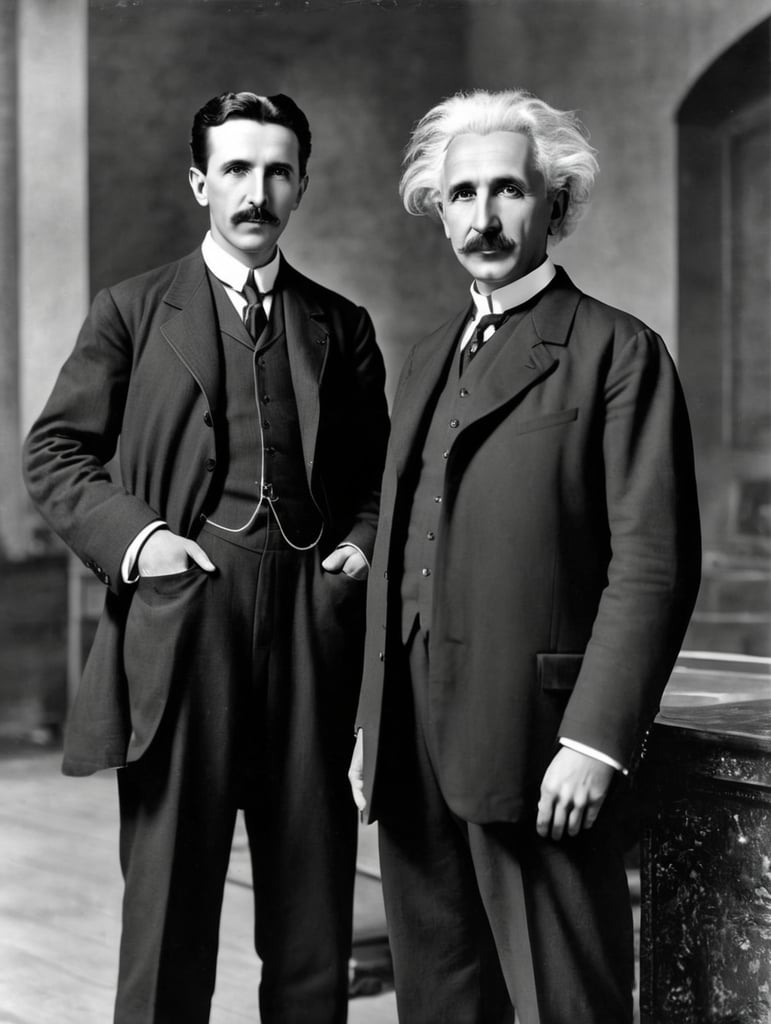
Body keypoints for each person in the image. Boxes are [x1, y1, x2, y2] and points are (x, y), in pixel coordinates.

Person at [23, 91, 389, 1024]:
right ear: (200, 184)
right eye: (235, 169)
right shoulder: (132, 313)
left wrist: (356, 549)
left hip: (313, 637)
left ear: (300, 184)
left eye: (276, 171)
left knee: (313, 917)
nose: (255, 191)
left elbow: (385, 480)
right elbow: (54, 454)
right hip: (183, 638)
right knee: (167, 917)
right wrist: (142, 544)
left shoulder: (341, 327)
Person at [349, 88, 701, 1024]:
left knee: (564, 1005)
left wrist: (593, 742)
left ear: (555, 205)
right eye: (461, 194)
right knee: (440, 1000)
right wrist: (370, 725)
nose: (482, 216)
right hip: (411, 744)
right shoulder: (424, 356)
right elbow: (399, 544)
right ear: (438, 207)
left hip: (538, 746)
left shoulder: (618, 352)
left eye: (507, 191)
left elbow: (653, 565)